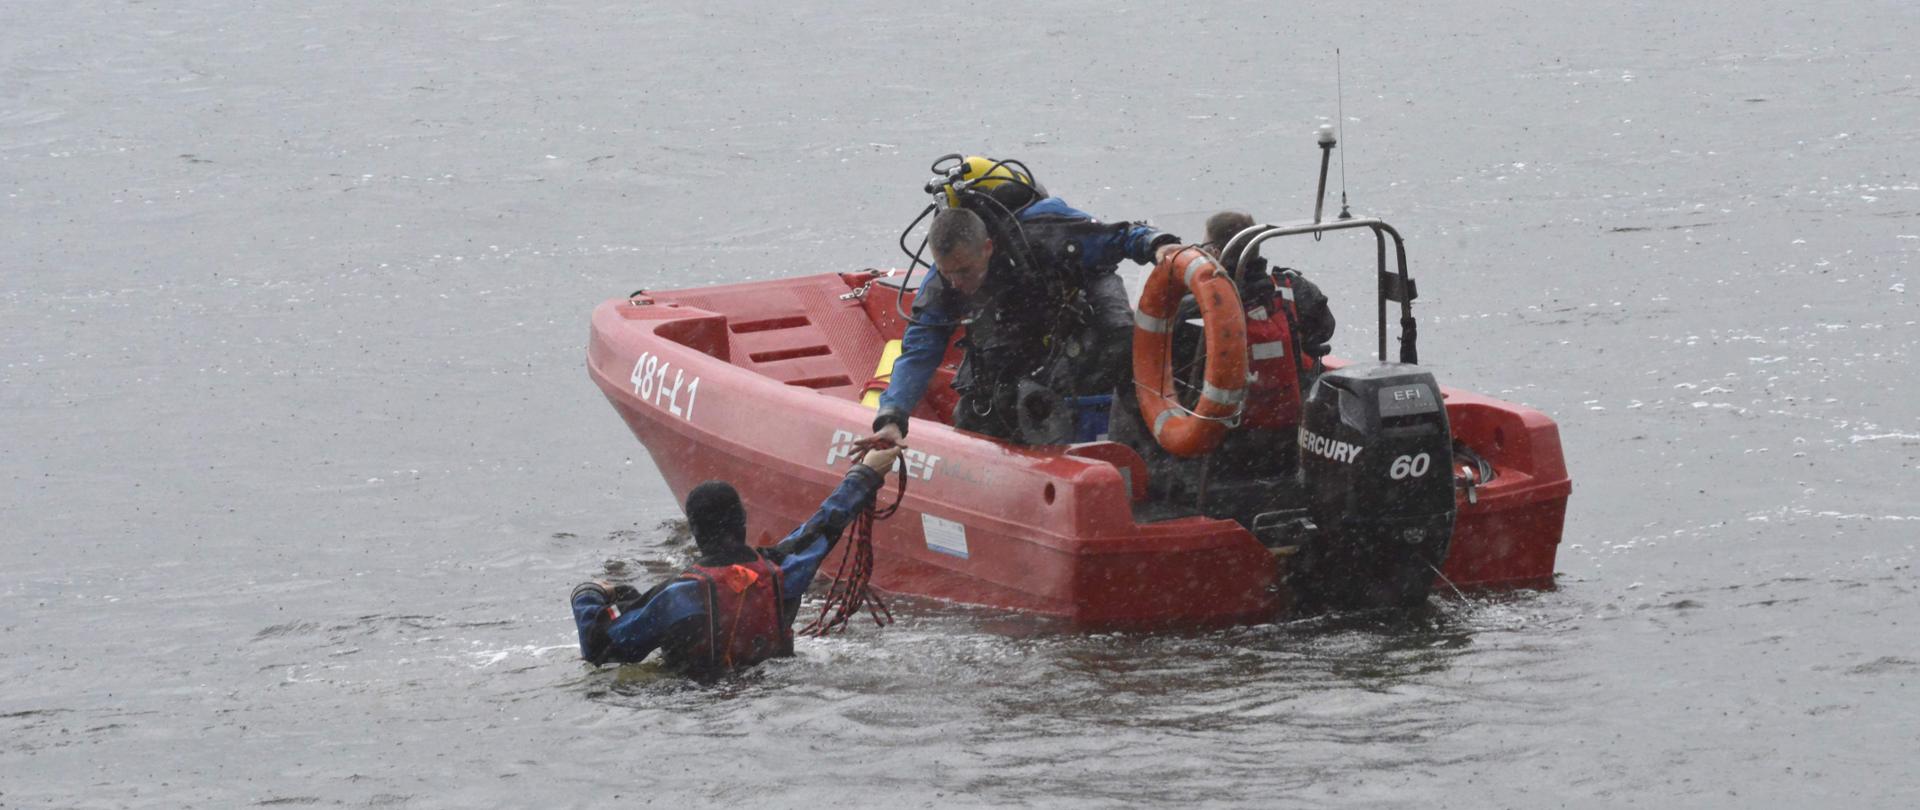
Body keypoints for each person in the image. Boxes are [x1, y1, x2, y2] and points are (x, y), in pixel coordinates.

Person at [869, 157, 1184, 446]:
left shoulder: (1045, 231)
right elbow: (919, 350)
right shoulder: (944, 281)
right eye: (947, 272)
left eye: (964, 271)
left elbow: (1120, 237)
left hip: (1076, 304)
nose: (957, 282)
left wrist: (1159, 245)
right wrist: (893, 416)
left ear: (988, 248)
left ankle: (1154, 446)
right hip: (1015, 325)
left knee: (1122, 347)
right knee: (982, 404)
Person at [569, 445, 903, 677]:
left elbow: (602, 650)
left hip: (697, 703)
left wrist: (588, 594)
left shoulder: (676, 597)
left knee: (627, 597)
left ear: (696, 533)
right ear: (744, 523)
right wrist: (866, 474)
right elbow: (827, 523)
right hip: (775, 687)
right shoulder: (784, 570)